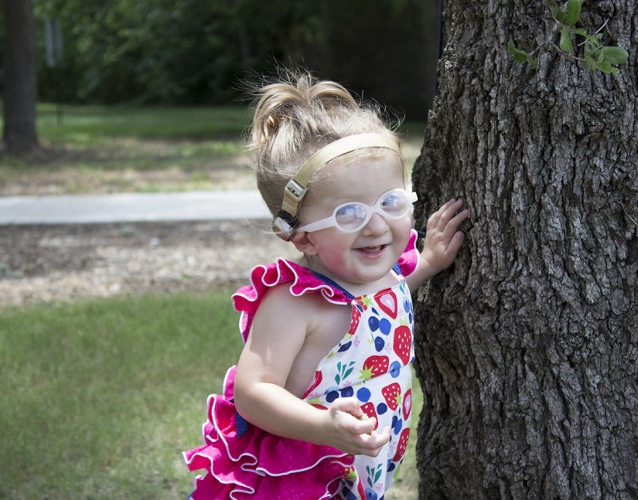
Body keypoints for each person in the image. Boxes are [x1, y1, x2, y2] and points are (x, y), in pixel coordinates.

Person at [183, 72, 469, 499]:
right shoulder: (295, 303)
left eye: (390, 202)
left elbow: (378, 309)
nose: (376, 225)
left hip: (359, 465)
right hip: (301, 474)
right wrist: (323, 427)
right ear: (302, 237)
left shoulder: (378, 276)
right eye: (349, 215)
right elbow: (252, 392)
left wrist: (426, 264)